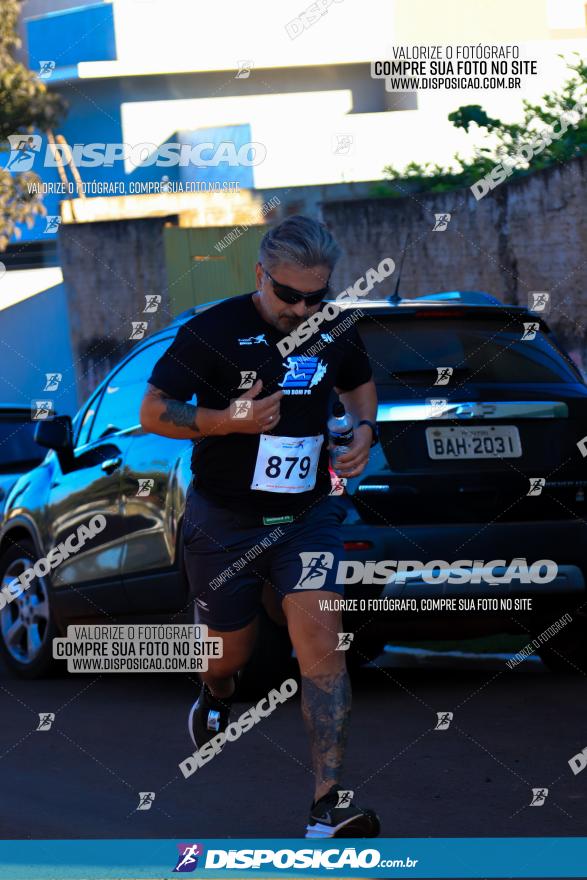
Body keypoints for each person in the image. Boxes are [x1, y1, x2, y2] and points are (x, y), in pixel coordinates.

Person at [139, 214, 380, 838]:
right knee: (227, 655)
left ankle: (328, 806)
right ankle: (215, 695)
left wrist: (364, 431)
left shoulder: (334, 328)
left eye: (315, 297)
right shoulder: (212, 331)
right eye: (289, 295)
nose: (303, 309)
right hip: (226, 520)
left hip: (308, 516)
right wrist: (231, 420)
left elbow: (358, 384)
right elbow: (153, 411)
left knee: (323, 647)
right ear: (260, 275)